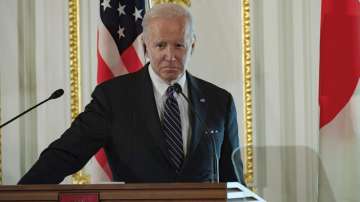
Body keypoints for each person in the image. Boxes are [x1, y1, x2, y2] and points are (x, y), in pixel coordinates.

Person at [18, 3, 245, 184]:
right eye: (161, 45)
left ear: (192, 45)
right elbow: (66, 155)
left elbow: (233, 178)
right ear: (146, 46)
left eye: (179, 45)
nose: (170, 55)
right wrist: (21, 194)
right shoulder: (114, 98)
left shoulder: (219, 101)